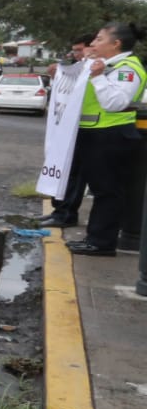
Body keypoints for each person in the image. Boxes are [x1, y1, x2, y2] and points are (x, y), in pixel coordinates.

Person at [66, 21, 145, 257]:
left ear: (116, 43)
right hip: (95, 133)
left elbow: (115, 103)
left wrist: (98, 76)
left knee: (108, 191)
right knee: (100, 190)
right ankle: (95, 238)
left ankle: (102, 243)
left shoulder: (127, 68)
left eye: (99, 39)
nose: (93, 43)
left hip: (112, 134)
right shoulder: (104, 65)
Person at [38, 34, 99, 229]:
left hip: (89, 129)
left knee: (76, 175)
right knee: (63, 170)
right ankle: (59, 210)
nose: (76, 54)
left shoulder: (98, 68)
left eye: (80, 50)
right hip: (68, 128)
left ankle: (67, 213)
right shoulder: (75, 69)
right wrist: (57, 77)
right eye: (74, 50)